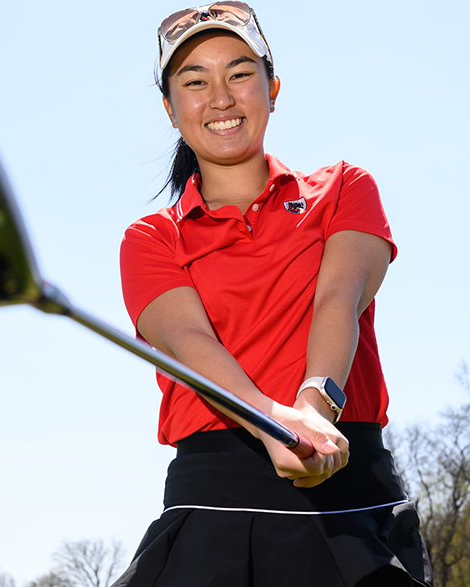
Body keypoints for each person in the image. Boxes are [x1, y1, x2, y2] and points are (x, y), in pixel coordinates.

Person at [114, 3, 433, 586]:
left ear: (272, 88)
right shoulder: (151, 238)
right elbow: (187, 341)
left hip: (351, 497)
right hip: (212, 509)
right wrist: (272, 424)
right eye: (194, 81)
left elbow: (339, 298)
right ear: (170, 107)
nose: (221, 97)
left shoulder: (344, 188)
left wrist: (313, 410)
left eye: (239, 73)